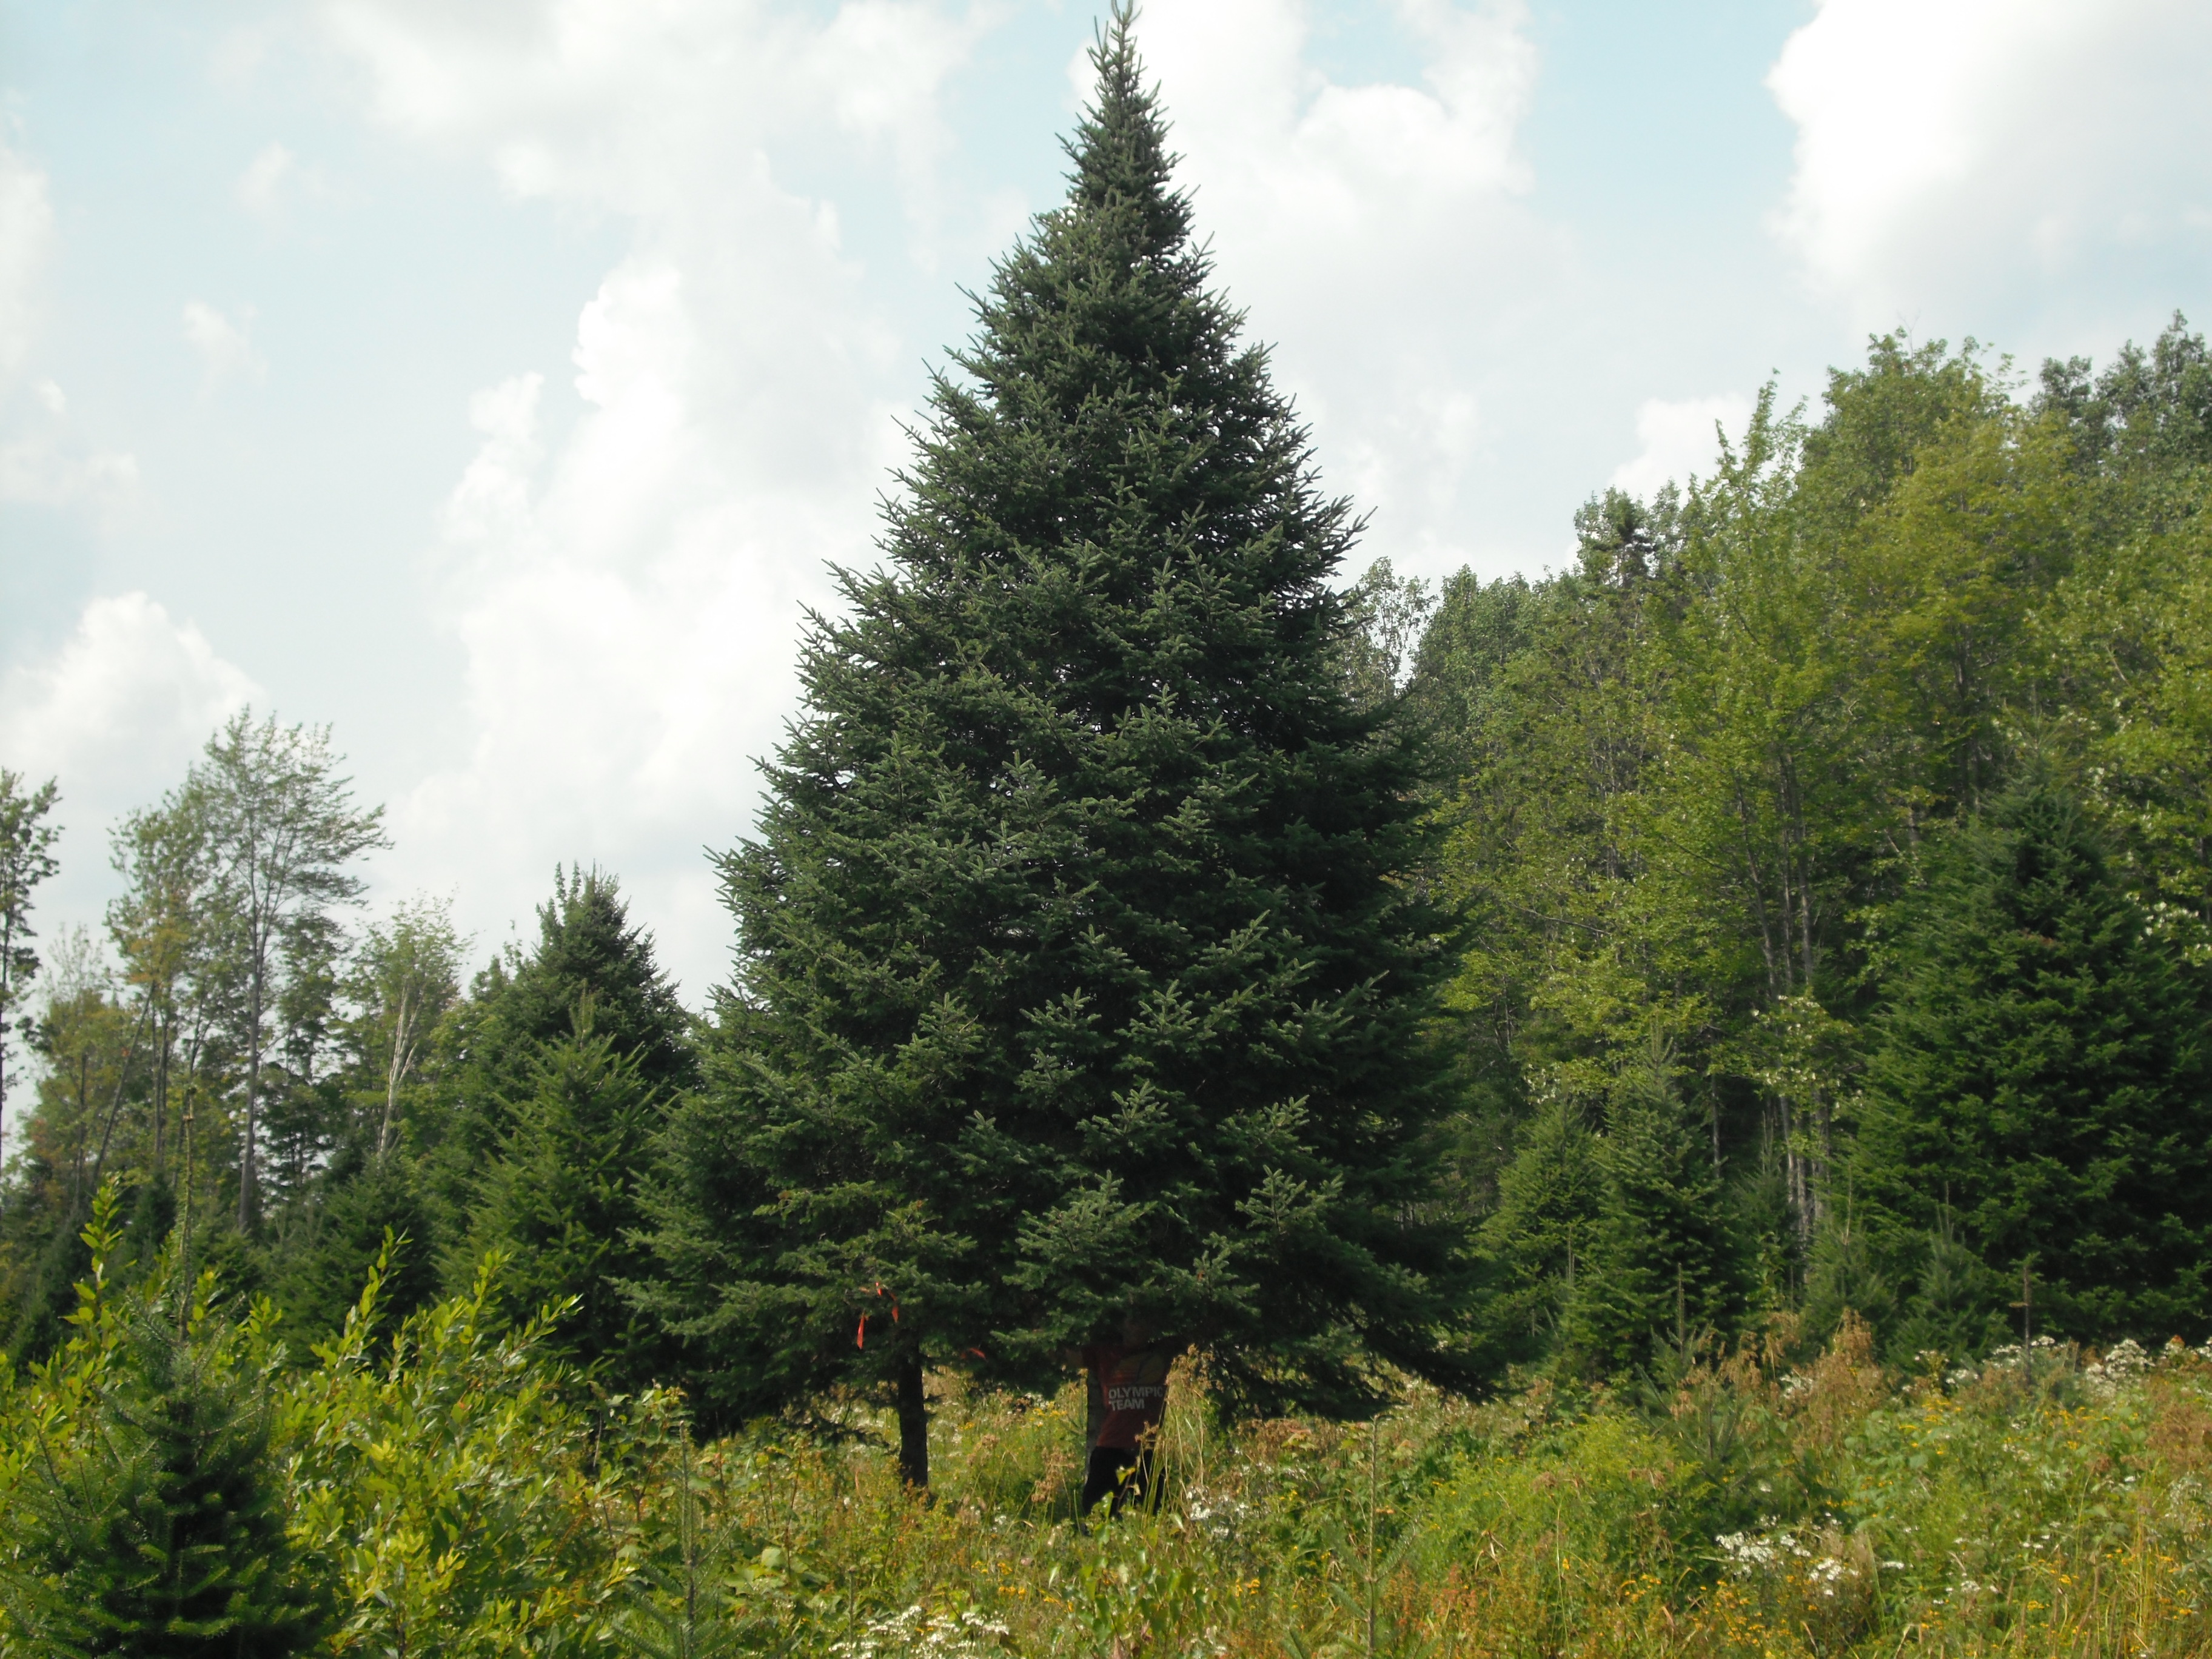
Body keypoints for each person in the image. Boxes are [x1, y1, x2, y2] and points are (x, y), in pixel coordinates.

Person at [1074, 1316, 1176, 1518]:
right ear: (1121, 1325)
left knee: (1152, 1515)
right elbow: (1066, 1356)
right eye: (1131, 1321)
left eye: (1142, 1321)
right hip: (1111, 1449)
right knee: (1095, 1512)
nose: (1137, 1328)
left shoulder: (1163, 1353)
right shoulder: (1105, 1354)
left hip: (1148, 1450)